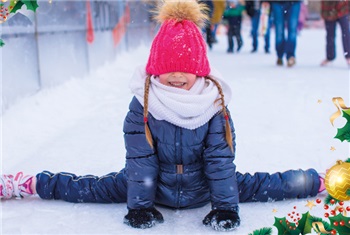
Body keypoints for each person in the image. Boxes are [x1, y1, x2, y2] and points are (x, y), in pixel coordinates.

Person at [0, 0, 325, 232]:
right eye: (168, 68)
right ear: (156, 69)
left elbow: (219, 161)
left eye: (186, 69)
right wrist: (140, 206)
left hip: (205, 186)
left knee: (266, 185)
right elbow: (141, 159)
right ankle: (30, 184)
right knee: (90, 188)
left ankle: (320, 180)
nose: (177, 76)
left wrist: (225, 206)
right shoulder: (143, 103)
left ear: (200, 71)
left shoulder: (214, 104)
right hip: (153, 187)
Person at [271, 0, 301, 67]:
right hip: (277, 2)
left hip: (294, 2)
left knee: (292, 29)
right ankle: (280, 54)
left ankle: (290, 56)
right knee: (279, 30)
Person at [320, 0, 350, 67]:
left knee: (346, 33)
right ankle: (330, 57)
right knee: (330, 35)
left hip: (343, 7)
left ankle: (349, 56)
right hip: (328, 9)